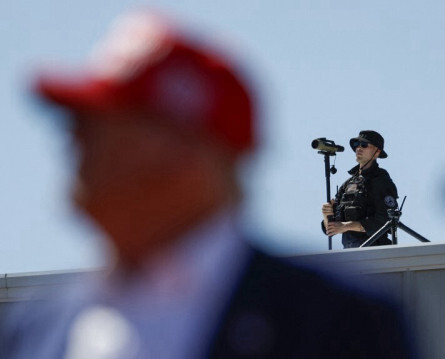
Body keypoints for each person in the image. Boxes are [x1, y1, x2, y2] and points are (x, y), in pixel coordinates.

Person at [0, 10, 415, 358]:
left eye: (107, 125)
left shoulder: (333, 320)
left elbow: (382, 218)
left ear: (192, 154)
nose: (76, 140)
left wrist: (347, 228)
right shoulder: (34, 331)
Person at [321, 130, 399, 248]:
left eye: (364, 145)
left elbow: (385, 221)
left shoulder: (381, 181)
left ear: (377, 152)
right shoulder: (348, 184)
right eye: (356, 145)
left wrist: (346, 226)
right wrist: (327, 215)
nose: (358, 148)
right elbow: (331, 228)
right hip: (351, 255)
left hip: (376, 252)